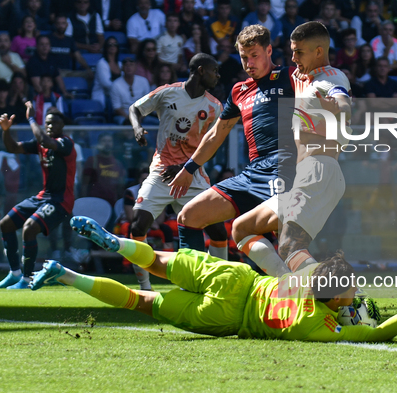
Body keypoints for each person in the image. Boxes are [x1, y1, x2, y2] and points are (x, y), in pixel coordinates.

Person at [30, 216, 397, 342]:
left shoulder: (315, 277)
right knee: (142, 302)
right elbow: (373, 336)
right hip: (226, 318)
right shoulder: (316, 324)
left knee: (155, 260)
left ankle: (114, 242)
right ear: (333, 300)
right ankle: (65, 275)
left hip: (236, 279)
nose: (352, 300)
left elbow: (296, 260)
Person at [231, 21, 352, 276]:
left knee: (289, 245)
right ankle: (294, 291)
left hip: (318, 171)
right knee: (242, 228)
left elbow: (342, 102)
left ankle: (350, 302)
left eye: (299, 52)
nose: (293, 58)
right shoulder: (305, 77)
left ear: (319, 52)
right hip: (306, 174)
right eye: (292, 51)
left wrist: (337, 109)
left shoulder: (330, 77)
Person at [167, 24, 296, 254]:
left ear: (269, 51)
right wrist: (189, 169)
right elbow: (217, 133)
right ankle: (198, 285)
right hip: (252, 173)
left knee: (288, 234)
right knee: (189, 216)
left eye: (254, 56)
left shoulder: (290, 77)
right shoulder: (239, 91)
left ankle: (335, 285)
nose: (249, 63)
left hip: (286, 167)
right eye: (244, 57)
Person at [127, 53, 229, 290]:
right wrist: (137, 128)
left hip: (193, 176)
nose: (218, 76)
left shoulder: (215, 106)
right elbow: (135, 108)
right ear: (201, 70)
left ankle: (221, 283)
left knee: (217, 230)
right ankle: (144, 286)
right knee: (137, 226)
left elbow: (212, 145)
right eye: (214, 71)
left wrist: (186, 167)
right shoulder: (167, 92)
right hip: (162, 172)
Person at [0, 103, 76, 289]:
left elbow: (46, 141)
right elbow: (12, 148)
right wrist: (6, 130)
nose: (49, 126)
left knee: (29, 228)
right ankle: (15, 273)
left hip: (61, 201)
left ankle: (27, 278)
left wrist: (31, 118)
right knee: (5, 224)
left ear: (62, 126)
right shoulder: (42, 143)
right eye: (47, 123)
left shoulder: (65, 143)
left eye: (53, 123)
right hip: (43, 197)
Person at [81, 133, 125, 206]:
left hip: (113, 202)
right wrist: (84, 202)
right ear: (99, 143)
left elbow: (120, 186)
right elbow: (84, 184)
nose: (107, 143)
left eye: (109, 141)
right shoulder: (92, 161)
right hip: (95, 202)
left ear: (113, 144)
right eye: (104, 141)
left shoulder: (118, 163)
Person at [110, 57, 151, 125]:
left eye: (131, 65)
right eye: (126, 65)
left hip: (142, 116)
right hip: (124, 116)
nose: (129, 67)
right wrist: (131, 119)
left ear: (136, 67)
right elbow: (117, 108)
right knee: (124, 122)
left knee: (157, 122)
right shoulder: (116, 84)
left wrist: (140, 117)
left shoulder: (143, 81)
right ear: (122, 68)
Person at [91, 36, 122, 108]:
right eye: (110, 45)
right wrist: (121, 90)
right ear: (106, 47)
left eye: (115, 44)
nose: (112, 46)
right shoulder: (101, 63)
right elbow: (106, 84)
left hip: (116, 95)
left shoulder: (120, 64)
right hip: (103, 96)